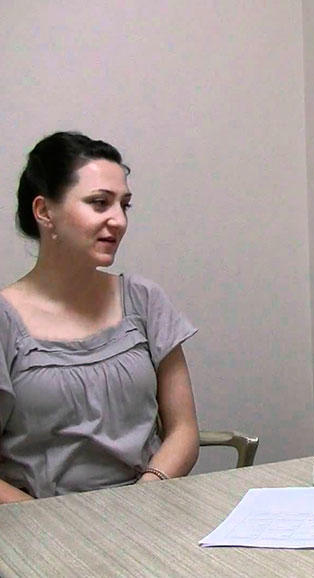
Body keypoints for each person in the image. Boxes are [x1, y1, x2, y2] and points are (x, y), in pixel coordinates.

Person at [0, 132, 199, 503]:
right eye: (99, 203)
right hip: (41, 527)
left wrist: (145, 493)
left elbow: (184, 430)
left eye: (124, 205)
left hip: (146, 510)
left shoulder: (144, 300)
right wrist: (58, 524)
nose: (119, 220)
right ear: (44, 211)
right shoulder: (5, 320)